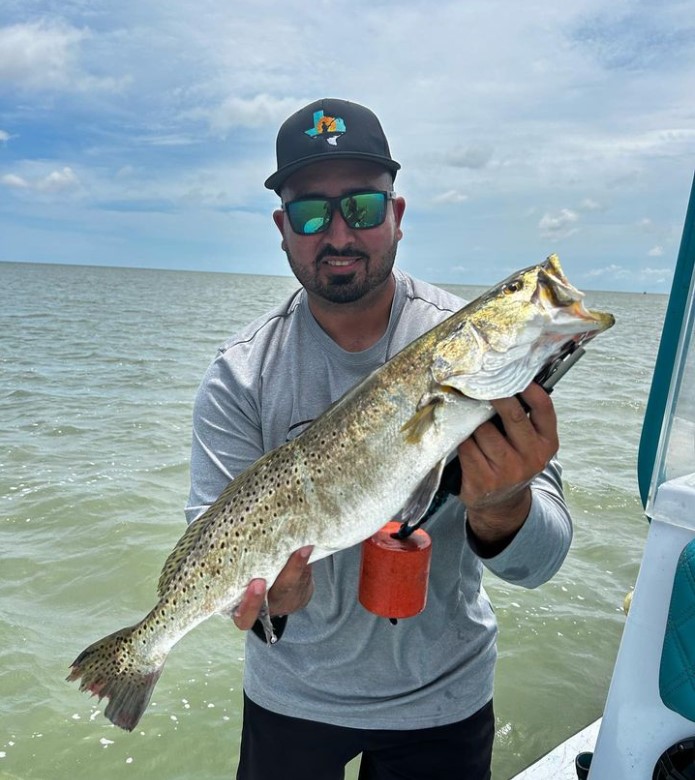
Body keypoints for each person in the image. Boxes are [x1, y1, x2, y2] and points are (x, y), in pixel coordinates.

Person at [186, 98, 572, 780]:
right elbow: (212, 550)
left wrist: (503, 506)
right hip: (289, 700)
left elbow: (539, 565)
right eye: (310, 213)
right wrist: (268, 607)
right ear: (282, 229)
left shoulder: (472, 344)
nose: (338, 232)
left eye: (361, 207)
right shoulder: (239, 374)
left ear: (396, 215)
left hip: (443, 702)